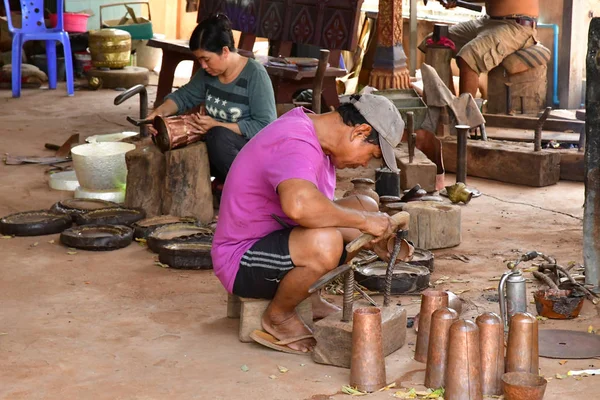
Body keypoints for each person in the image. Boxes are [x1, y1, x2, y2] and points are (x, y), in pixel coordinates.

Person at [211, 94, 410, 353]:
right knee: (326, 242)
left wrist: (372, 234)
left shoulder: (316, 139)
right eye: (370, 155)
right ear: (360, 132)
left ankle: (310, 295)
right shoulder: (295, 140)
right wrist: (363, 223)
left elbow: (325, 211)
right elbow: (300, 206)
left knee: (366, 205)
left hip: (276, 240)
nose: (363, 164)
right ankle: (278, 317)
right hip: (240, 259)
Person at [146, 14, 277, 183]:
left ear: (224, 51)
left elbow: (266, 126)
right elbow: (183, 97)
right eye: (199, 60)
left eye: (206, 59)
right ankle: (221, 183)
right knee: (176, 137)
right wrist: (158, 114)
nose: (203, 66)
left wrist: (217, 125)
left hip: (250, 153)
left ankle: (250, 188)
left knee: (217, 136)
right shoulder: (207, 74)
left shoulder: (255, 74)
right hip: (219, 149)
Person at [419, 0, 539, 97]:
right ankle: (447, 108)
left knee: (468, 57)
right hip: (487, 21)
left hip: (517, 26)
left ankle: (465, 119)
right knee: (434, 42)